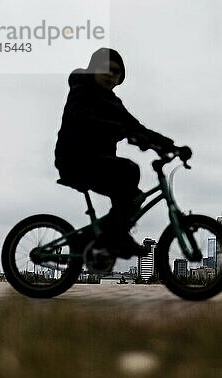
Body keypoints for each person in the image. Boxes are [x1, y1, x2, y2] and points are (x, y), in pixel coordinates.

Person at [55, 48, 174, 257]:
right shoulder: (81, 89)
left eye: (116, 72)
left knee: (133, 196)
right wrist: (120, 130)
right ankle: (116, 236)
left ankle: (103, 238)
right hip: (76, 159)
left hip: (97, 161)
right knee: (128, 171)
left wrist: (169, 146)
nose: (111, 74)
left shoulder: (113, 103)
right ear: (93, 70)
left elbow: (136, 127)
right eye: (106, 69)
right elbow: (82, 119)